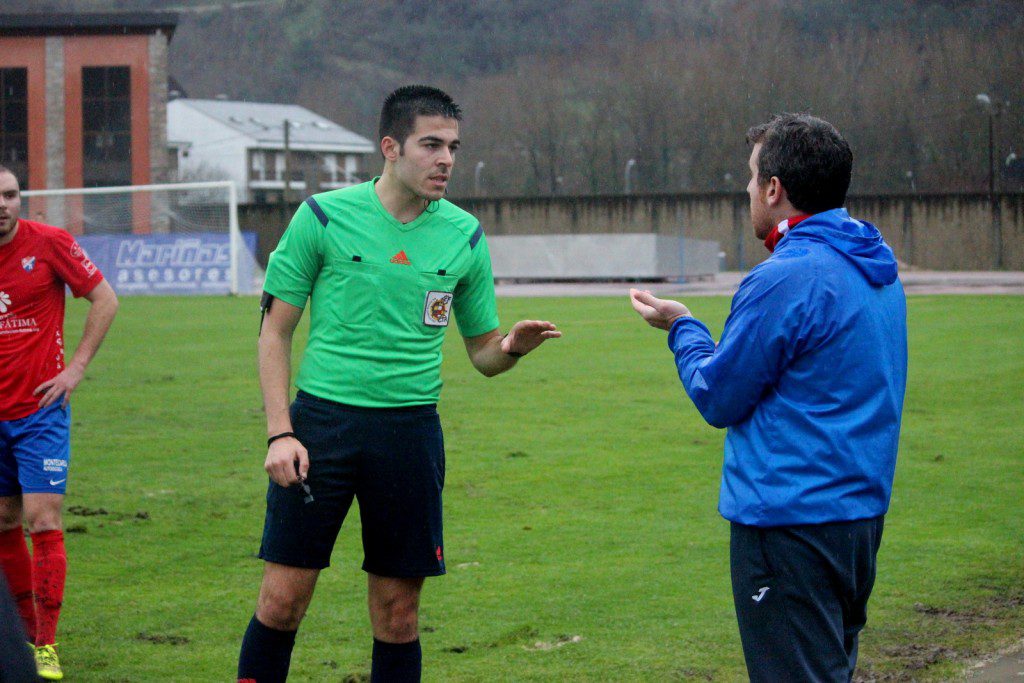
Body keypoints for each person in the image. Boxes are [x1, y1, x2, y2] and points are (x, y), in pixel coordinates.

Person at [237, 85, 561, 683]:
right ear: (390, 147)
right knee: (283, 600)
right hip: (321, 429)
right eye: (431, 145)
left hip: (409, 435)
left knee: (399, 613)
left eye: (454, 148)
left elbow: (483, 355)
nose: (446, 160)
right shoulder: (323, 216)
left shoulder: (463, 235)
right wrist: (280, 433)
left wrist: (512, 347)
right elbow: (274, 333)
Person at [629, 113, 907, 682]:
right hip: (857, 519)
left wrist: (683, 327)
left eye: (753, 177)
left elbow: (717, 395)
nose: (747, 188)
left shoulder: (786, 277)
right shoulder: (876, 265)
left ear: (775, 190)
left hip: (790, 525)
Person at [0, 165, 119, 680]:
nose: (3, 204)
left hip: (40, 411)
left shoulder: (48, 243)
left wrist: (75, 369)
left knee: (41, 519)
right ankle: (22, 637)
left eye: (9, 195)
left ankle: (45, 645)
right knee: (4, 521)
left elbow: (105, 299)